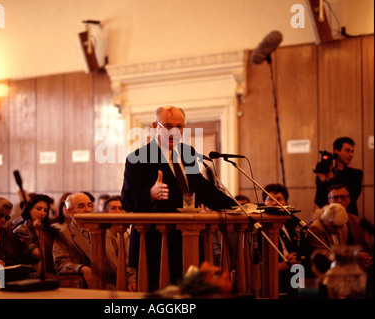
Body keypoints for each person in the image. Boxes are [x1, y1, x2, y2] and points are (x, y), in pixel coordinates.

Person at [121, 105, 236, 291]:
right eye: (167, 125)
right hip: (153, 243)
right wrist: (150, 193)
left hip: (188, 238)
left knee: (189, 296)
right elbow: (127, 199)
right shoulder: (138, 157)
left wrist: (236, 207)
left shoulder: (187, 153)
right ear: (154, 126)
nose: (173, 131)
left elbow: (201, 188)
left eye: (179, 126)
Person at [53, 192, 135, 290]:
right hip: (95, 285)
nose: (87, 210)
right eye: (81, 206)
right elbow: (60, 264)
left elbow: (124, 258)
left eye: (89, 205)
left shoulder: (106, 232)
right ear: (70, 212)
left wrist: (131, 279)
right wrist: (81, 268)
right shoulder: (64, 234)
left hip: (119, 280)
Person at [262, 183, 303, 298]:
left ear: (286, 203)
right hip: (271, 279)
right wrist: (284, 264)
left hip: (297, 275)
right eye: (270, 199)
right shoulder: (258, 228)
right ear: (264, 203)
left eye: (279, 199)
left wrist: (296, 258)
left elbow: (304, 249)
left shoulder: (293, 223)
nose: (275, 203)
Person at [314, 137, 363, 216]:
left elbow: (351, 198)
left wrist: (330, 178)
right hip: (329, 218)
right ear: (336, 151)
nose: (351, 155)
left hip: (349, 218)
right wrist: (322, 178)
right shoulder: (325, 173)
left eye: (352, 151)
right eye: (347, 150)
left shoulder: (356, 174)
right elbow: (319, 201)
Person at [13, 194, 58, 277]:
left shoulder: (48, 228)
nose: (42, 213)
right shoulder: (21, 230)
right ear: (29, 209)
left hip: (52, 269)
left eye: (45, 210)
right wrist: (40, 232)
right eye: (38, 209)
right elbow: (39, 254)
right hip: (30, 273)